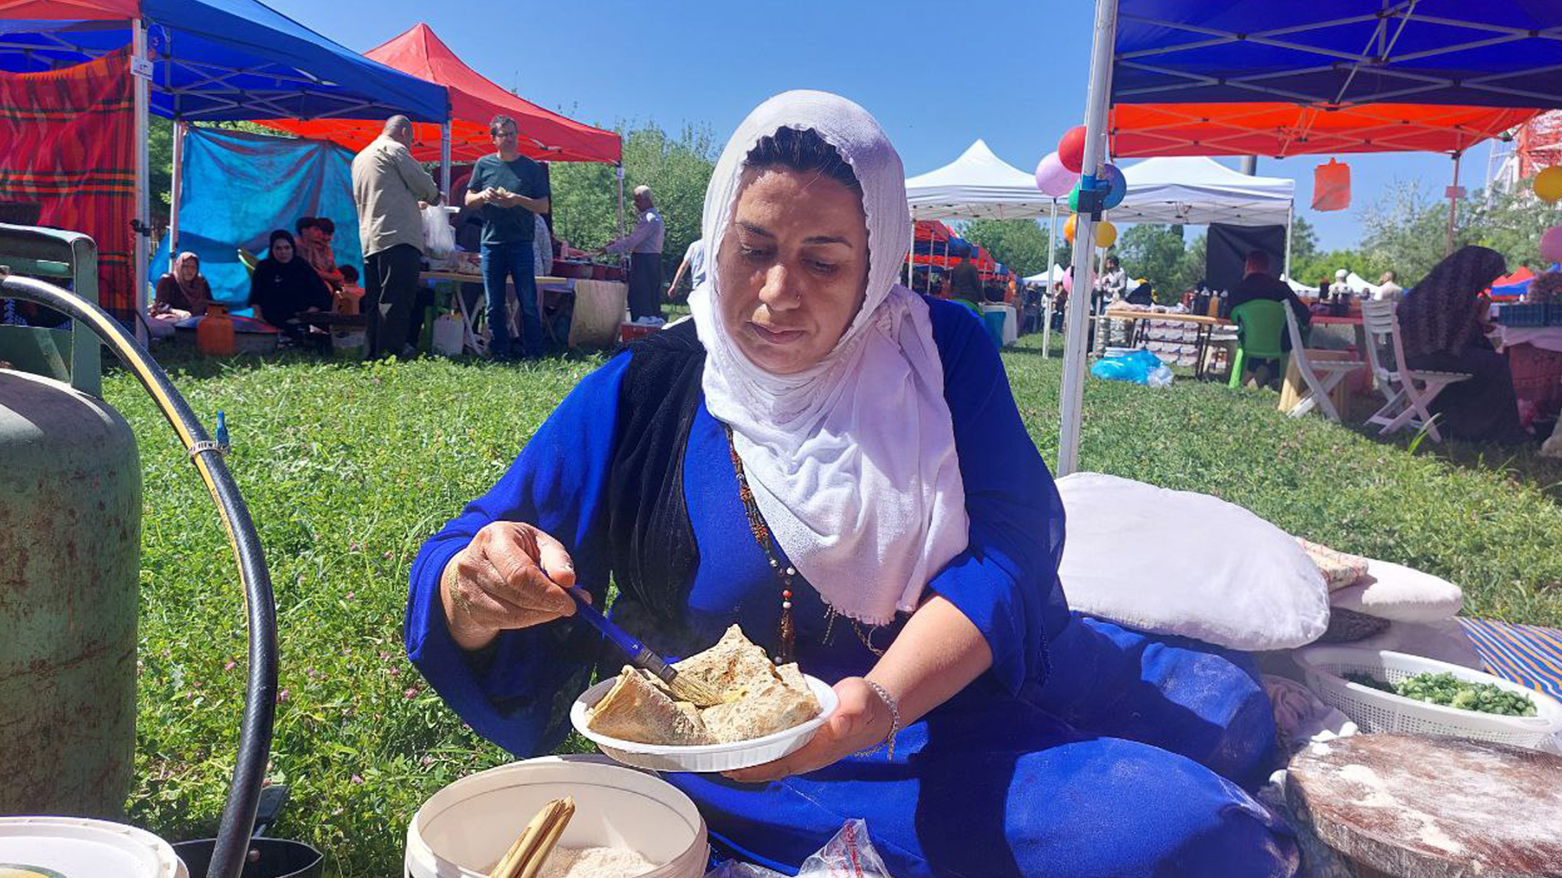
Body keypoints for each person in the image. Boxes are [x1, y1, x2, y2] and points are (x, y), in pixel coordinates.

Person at [406, 91, 1295, 878]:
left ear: (878, 262)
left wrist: (884, 699)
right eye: (752, 249)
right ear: (716, 237)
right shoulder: (650, 388)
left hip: (931, 691)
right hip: (760, 761)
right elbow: (471, 547)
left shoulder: (932, 355)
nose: (777, 292)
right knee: (1196, 836)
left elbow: (1009, 549)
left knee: (1233, 711)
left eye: (824, 261)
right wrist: (474, 589)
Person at [1396, 245, 1528, 442]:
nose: (1489, 283)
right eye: (1489, 277)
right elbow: (1461, 342)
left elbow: (1453, 332)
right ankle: (1494, 432)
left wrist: (1476, 320)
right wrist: (1480, 317)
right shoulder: (1459, 292)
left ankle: (1451, 422)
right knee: (1497, 365)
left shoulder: (1432, 286)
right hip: (1433, 356)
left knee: (1480, 361)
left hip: (1413, 354)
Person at [352, 115, 442, 359]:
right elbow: (423, 184)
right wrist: (435, 196)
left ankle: (373, 353)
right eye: (411, 140)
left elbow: (383, 193)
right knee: (397, 299)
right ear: (404, 132)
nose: (410, 145)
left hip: (370, 237)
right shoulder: (395, 150)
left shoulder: (360, 157)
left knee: (375, 300)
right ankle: (390, 355)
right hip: (397, 236)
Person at [467, 114, 552, 360]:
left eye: (513, 134)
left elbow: (543, 206)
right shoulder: (483, 164)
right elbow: (468, 200)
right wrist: (483, 195)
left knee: (528, 301)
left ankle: (534, 352)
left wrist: (518, 200)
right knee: (493, 302)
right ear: (493, 139)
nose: (510, 139)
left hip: (521, 243)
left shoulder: (531, 167)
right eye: (504, 135)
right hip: (491, 242)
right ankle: (500, 351)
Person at [250, 229, 332, 337]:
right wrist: (260, 320)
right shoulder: (264, 267)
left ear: (292, 248)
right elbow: (255, 297)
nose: (283, 252)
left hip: (300, 321)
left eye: (287, 248)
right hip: (270, 323)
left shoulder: (301, 265)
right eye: (278, 248)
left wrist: (305, 316)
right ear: (272, 250)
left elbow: (321, 294)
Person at [602, 185, 666, 322]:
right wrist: (617, 243)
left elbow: (632, 242)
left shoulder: (649, 219)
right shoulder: (655, 218)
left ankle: (643, 324)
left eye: (637, 200)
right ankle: (651, 322)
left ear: (646, 200)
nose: (635, 204)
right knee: (650, 296)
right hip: (652, 260)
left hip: (644, 261)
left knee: (640, 296)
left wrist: (608, 250)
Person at [149, 251, 211, 337]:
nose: (189, 270)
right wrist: (178, 312)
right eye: (185, 266)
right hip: (173, 319)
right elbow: (160, 306)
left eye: (193, 267)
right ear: (178, 266)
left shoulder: (201, 282)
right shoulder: (167, 280)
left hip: (197, 321)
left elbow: (209, 302)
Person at [295, 216, 345, 291]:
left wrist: (339, 278)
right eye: (316, 230)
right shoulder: (299, 246)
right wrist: (335, 278)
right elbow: (311, 271)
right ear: (305, 231)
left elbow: (333, 268)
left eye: (330, 234)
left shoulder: (326, 248)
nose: (327, 238)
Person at [666, 238, 707, 303]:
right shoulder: (718, 245)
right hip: (715, 286)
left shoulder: (694, 246)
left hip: (698, 285)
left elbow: (683, 267)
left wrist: (674, 285)